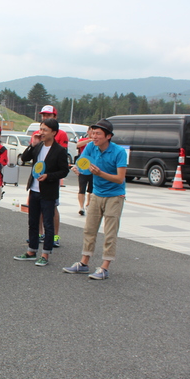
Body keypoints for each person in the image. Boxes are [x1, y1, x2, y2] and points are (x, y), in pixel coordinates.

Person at [63, 119, 127, 280]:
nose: (94, 136)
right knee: (89, 229)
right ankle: (84, 263)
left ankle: (104, 267)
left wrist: (100, 174)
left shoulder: (119, 152)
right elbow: (84, 164)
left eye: (98, 133)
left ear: (108, 136)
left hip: (115, 195)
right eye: (93, 133)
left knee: (110, 232)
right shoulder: (91, 146)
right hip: (97, 193)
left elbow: (120, 178)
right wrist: (79, 169)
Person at [13, 118, 69, 266]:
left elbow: (64, 171)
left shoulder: (59, 150)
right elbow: (25, 158)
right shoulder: (38, 146)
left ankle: (45, 254)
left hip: (48, 191)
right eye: (40, 129)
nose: (41, 132)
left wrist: (49, 176)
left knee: (48, 224)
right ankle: (31, 251)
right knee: (33, 221)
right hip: (34, 189)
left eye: (45, 130)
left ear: (54, 132)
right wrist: (33, 144)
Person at [35, 105, 68, 246]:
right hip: (37, 179)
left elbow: (61, 158)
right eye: (43, 115)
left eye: (48, 115)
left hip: (51, 178)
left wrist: (50, 175)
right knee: (37, 208)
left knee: (52, 207)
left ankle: (55, 235)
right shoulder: (38, 133)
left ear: (55, 116)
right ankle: (38, 233)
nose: (45, 117)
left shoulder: (61, 134)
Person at [74, 127, 94, 216]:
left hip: (93, 167)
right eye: (92, 131)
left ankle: (89, 204)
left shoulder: (97, 142)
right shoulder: (84, 140)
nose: (93, 134)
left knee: (91, 189)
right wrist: (89, 141)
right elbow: (78, 145)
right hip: (83, 167)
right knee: (82, 188)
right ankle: (81, 207)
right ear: (88, 132)